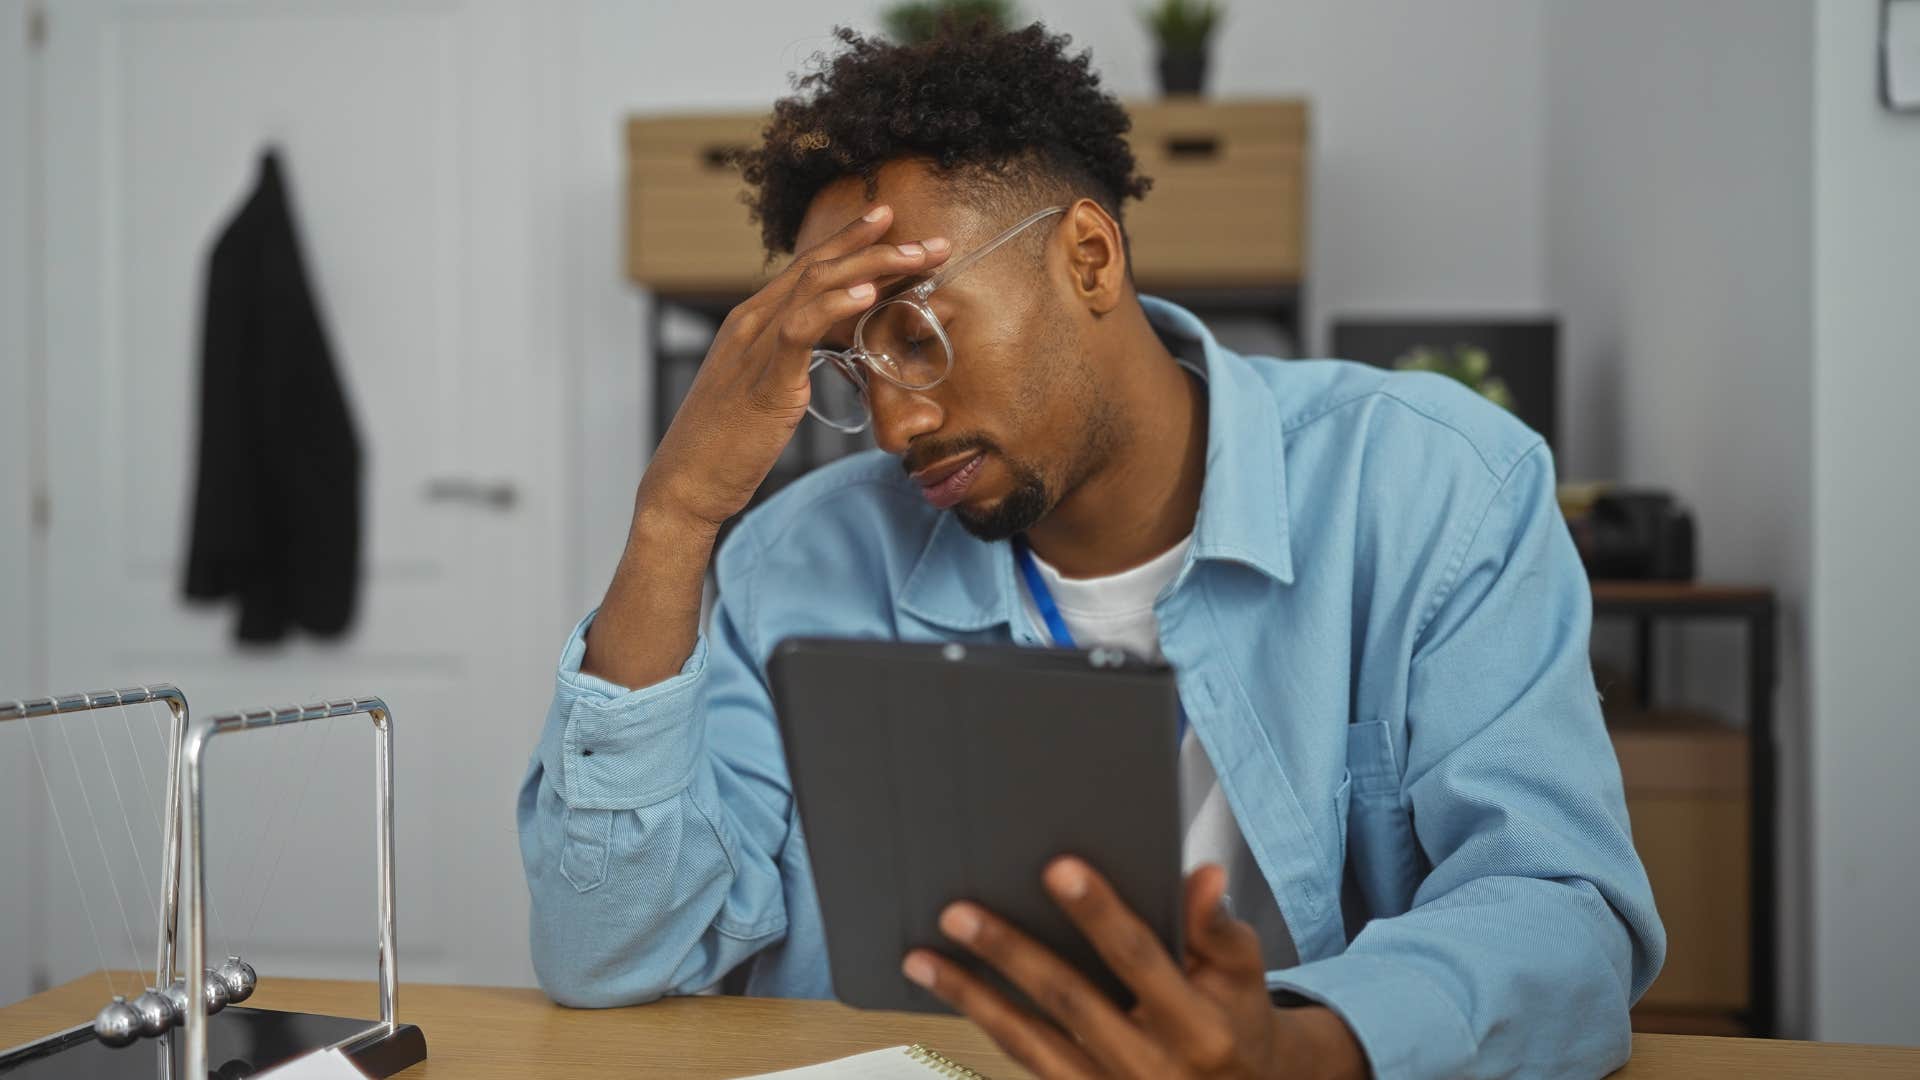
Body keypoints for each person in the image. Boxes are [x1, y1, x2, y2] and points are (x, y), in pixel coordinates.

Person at [518, 22, 1664, 1080]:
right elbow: (610, 952)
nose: (898, 425)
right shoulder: (798, 561)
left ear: (1088, 257)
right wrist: (672, 519)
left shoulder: (1433, 488)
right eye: (853, 371)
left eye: (919, 333)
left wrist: (1298, 1052)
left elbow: (1560, 916)